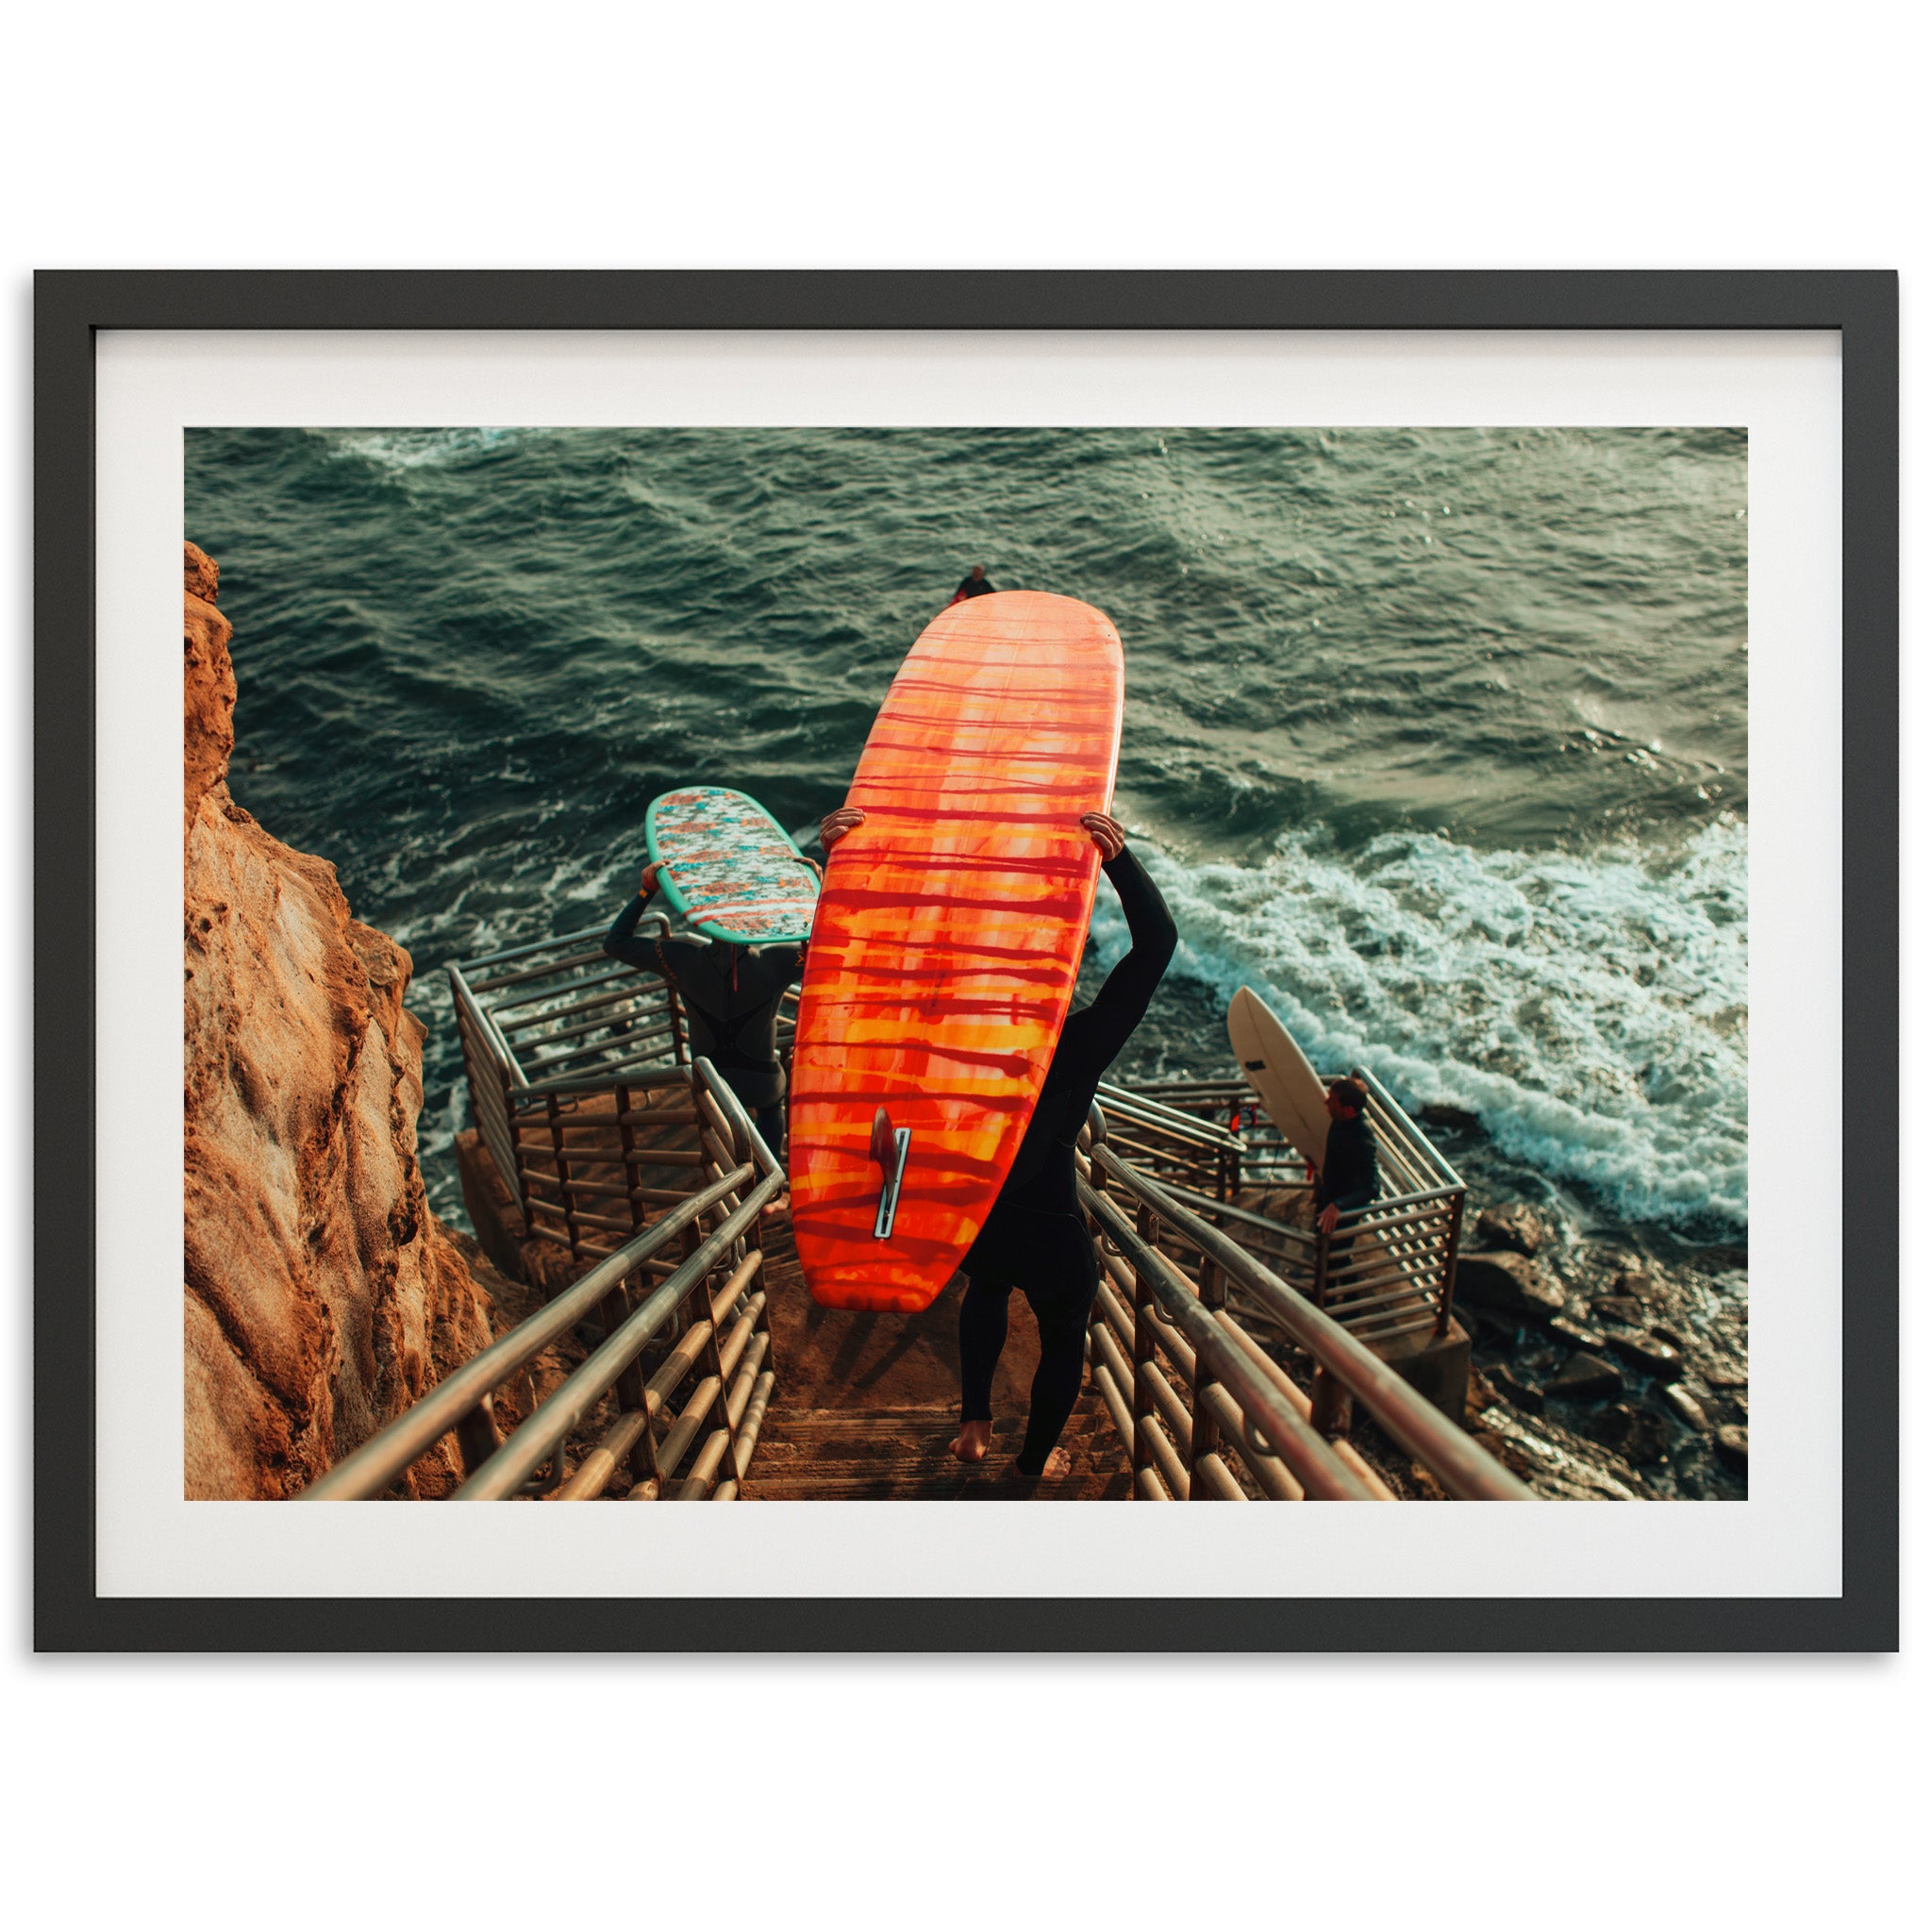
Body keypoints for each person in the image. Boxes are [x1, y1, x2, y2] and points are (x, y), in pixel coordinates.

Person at [821, 803, 1176, 1485]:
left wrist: (842, 866)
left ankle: (975, 1426)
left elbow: (852, 975)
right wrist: (1121, 863)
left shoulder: (939, 1047)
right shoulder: (1066, 1050)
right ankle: (1032, 1465)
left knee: (985, 1288)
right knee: (1063, 1334)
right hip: (1051, 1227)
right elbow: (1157, 946)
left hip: (977, 1216)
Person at [602, 860, 804, 1159]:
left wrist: (646, 891)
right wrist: (809, 892)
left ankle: (727, 1184)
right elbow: (825, 949)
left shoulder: (681, 959)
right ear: (754, 920)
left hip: (710, 1082)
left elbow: (615, 942)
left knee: (716, 1132)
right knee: (772, 1105)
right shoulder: (776, 962)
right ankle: (768, 1194)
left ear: (703, 919)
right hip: (762, 1080)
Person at [1310, 1076, 1380, 1233]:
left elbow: (1373, 1188)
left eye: (1332, 1100)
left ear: (1348, 1109)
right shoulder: (1339, 1119)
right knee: (1319, 1246)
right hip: (1327, 1200)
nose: (1326, 1102)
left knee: (1336, 1255)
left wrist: (1339, 1205)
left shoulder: (1361, 1137)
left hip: (1342, 1213)